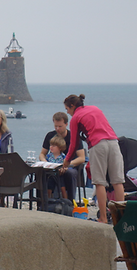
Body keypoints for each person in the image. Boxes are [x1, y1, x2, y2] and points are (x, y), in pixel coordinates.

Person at [62, 94, 124, 225]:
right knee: (117, 181)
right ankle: (121, 219)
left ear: (72, 106)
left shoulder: (75, 118)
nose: (67, 112)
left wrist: (66, 162)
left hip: (98, 145)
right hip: (113, 141)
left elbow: (73, 144)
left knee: (99, 182)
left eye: (67, 109)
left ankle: (103, 217)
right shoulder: (95, 109)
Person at [39, 111, 85, 201]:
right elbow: (42, 154)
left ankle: (70, 202)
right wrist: (45, 163)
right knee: (39, 173)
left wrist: (67, 165)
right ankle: (42, 202)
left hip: (70, 166)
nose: (57, 129)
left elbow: (82, 157)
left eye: (60, 126)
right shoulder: (50, 135)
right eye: (55, 126)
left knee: (69, 174)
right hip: (53, 164)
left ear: (66, 124)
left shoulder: (74, 136)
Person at [44, 135, 68, 200]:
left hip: (59, 174)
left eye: (54, 146)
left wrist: (64, 168)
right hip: (50, 174)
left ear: (60, 148)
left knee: (62, 188)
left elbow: (66, 164)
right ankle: (48, 201)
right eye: (50, 145)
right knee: (49, 187)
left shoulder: (63, 156)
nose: (51, 147)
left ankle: (66, 201)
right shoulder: (48, 156)